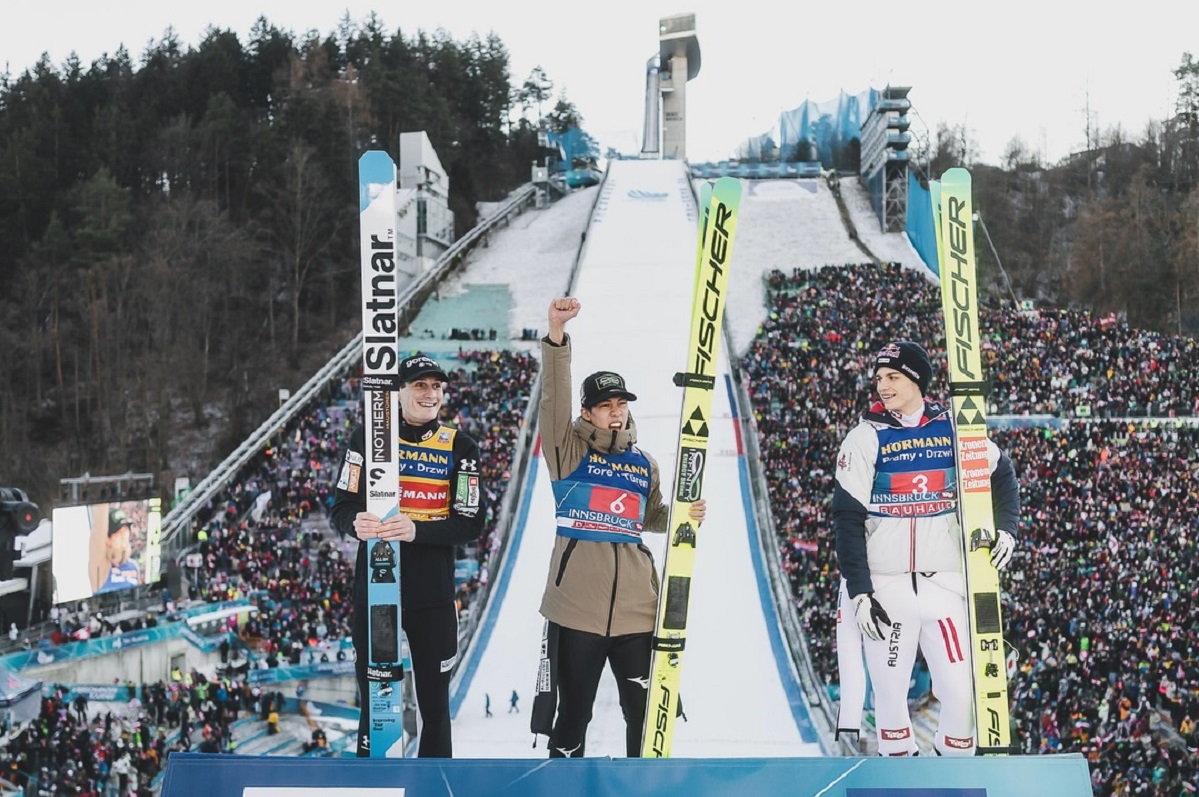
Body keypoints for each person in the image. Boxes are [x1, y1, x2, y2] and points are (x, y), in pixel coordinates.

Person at [531, 297, 706, 759]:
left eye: (621, 404)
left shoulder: (643, 463)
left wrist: (683, 515)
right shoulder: (568, 453)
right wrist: (556, 336)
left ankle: (640, 788)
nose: (615, 412)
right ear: (587, 412)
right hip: (577, 612)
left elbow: (649, 516)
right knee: (573, 717)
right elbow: (554, 402)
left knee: (644, 717)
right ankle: (565, 788)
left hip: (637, 612)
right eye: (605, 405)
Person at [832, 341, 1020, 756]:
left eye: (893, 377)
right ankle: (899, 771)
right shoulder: (865, 437)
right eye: (879, 378)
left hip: (944, 584)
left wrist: (1006, 530)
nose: (882, 386)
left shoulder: (953, 428)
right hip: (886, 588)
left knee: (961, 693)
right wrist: (860, 592)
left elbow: (1003, 475)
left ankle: (952, 768)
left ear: (917, 380)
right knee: (889, 695)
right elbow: (846, 519)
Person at [330, 352, 485, 758]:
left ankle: (433, 783)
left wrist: (417, 530)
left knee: (435, 709)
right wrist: (355, 523)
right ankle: (374, 782)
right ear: (399, 391)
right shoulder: (366, 439)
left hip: (432, 596)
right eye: (420, 385)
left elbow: (471, 523)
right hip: (376, 592)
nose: (430, 393)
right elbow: (341, 505)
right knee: (376, 704)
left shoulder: (460, 446)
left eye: (436, 386)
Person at [96, 508, 140, 593]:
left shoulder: (133, 566)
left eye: (126, 531)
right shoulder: (98, 568)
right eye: (119, 534)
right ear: (108, 539)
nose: (125, 537)